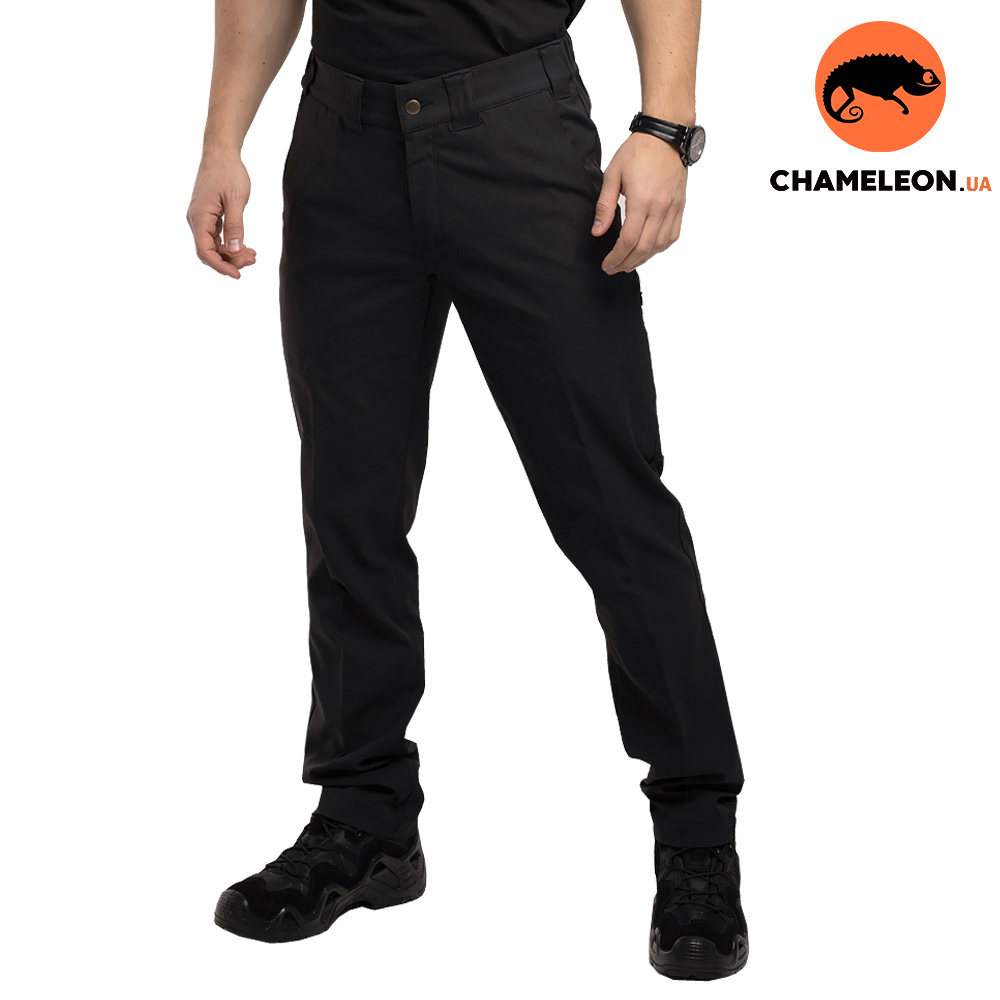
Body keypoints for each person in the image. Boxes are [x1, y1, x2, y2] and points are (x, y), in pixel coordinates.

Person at [187, 0, 747, 980]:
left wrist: (665, 125)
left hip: (516, 131)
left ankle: (697, 831)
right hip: (342, 144)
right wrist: (222, 138)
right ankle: (365, 819)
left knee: (612, 507)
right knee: (349, 505)